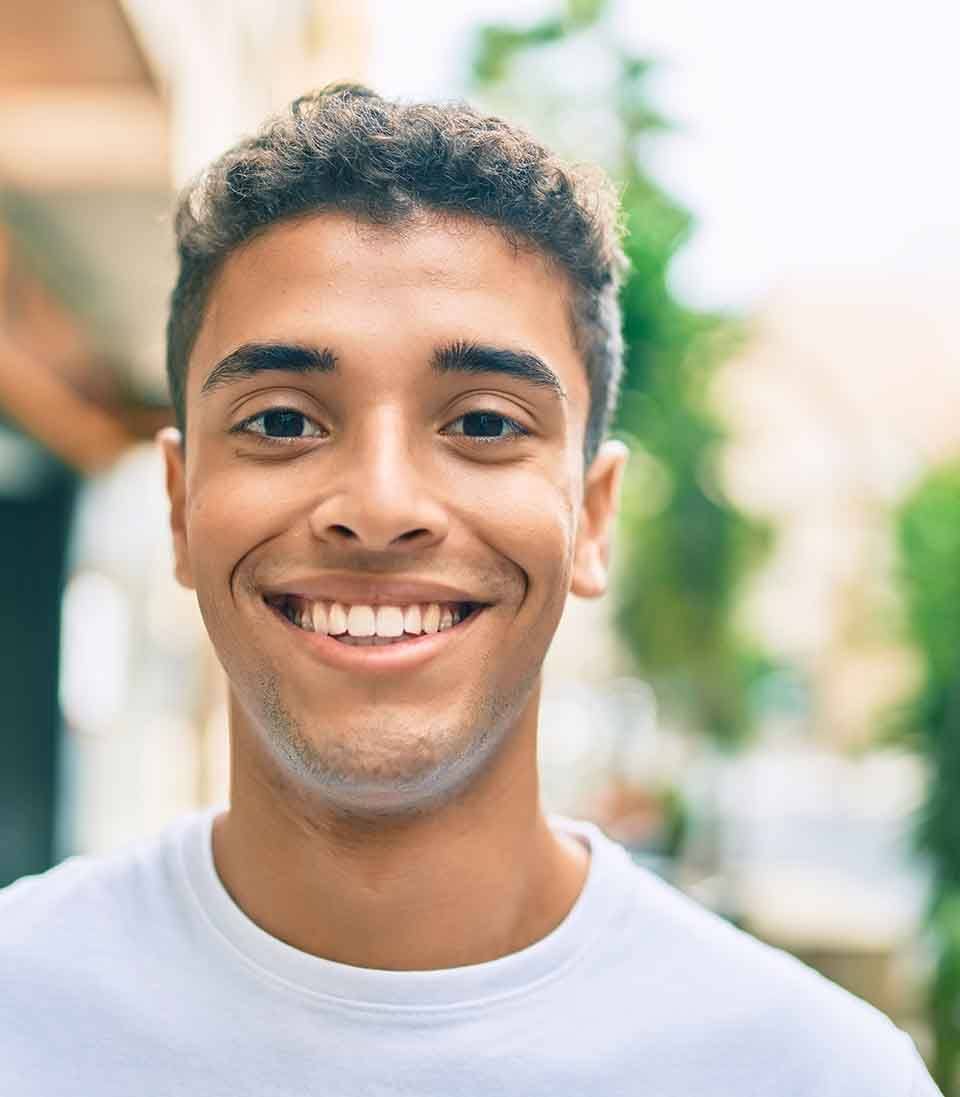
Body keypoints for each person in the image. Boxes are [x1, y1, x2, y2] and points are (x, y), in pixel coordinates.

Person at [0, 85, 942, 1095]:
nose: (379, 503)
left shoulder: (817, 1073)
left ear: (592, 516)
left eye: (484, 423)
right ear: (182, 505)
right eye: (282, 421)